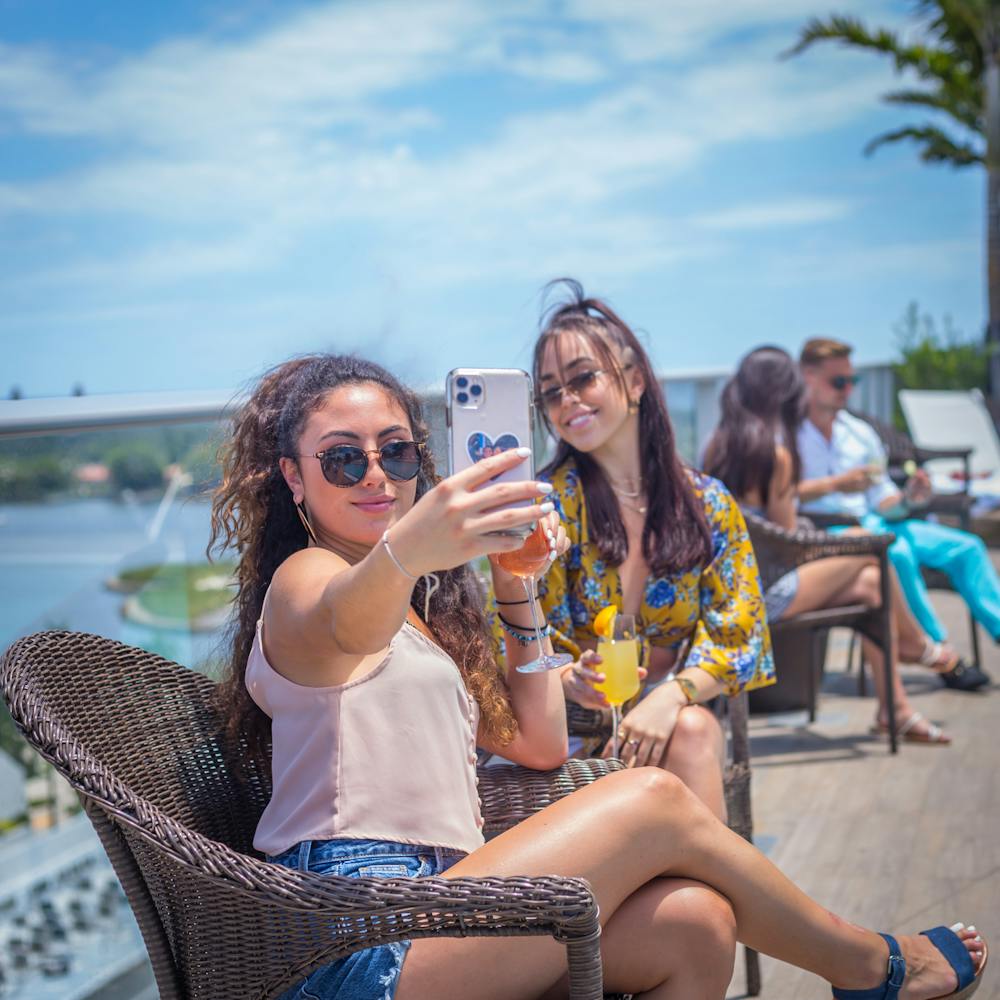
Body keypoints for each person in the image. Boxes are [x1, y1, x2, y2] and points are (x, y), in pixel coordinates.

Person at [209, 352, 985, 1000]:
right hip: (353, 933)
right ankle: (863, 964)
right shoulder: (304, 582)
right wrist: (413, 547)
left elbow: (542, 744)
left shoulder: (418, 616)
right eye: (344, 456)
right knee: (649, 797)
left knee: (697, 922)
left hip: (446, 901)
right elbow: (343, 621)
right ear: (294, 477)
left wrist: (516, 585)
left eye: (398, 451)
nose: (377, 474)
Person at [521, 281, 774, 820]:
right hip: (570, 740)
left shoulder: (706, 502)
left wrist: (671, 696)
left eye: (583, 378)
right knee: (695, 731)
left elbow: (740, 634)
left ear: (634, 381)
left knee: (691, 727)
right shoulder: (545, 508)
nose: (567, 401)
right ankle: (734, 901)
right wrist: (570, 679)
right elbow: (513, 634)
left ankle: (718, 902)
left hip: (670, 719)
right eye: (550, 392)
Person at [704, 346, 955, 744]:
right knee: (868, 545)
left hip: (730, 589)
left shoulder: (719, 446)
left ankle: (896, 710)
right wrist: (833, 540)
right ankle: (918, 646)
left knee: (873, 584)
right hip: (764, 594)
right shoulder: (777, 454)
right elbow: (789, 548)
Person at [797, 337, 992, 692]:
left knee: (968, 547)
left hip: (879, 521)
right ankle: (939, 651)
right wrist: (835, 484)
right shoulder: (787, 435)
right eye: (838, 382)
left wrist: (909, 498)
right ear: (807, 377)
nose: (847, 391)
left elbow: (883, 498)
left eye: (851, 381)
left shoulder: (859, 433)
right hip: (828, 530)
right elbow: (777, 495)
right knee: (897, 553)